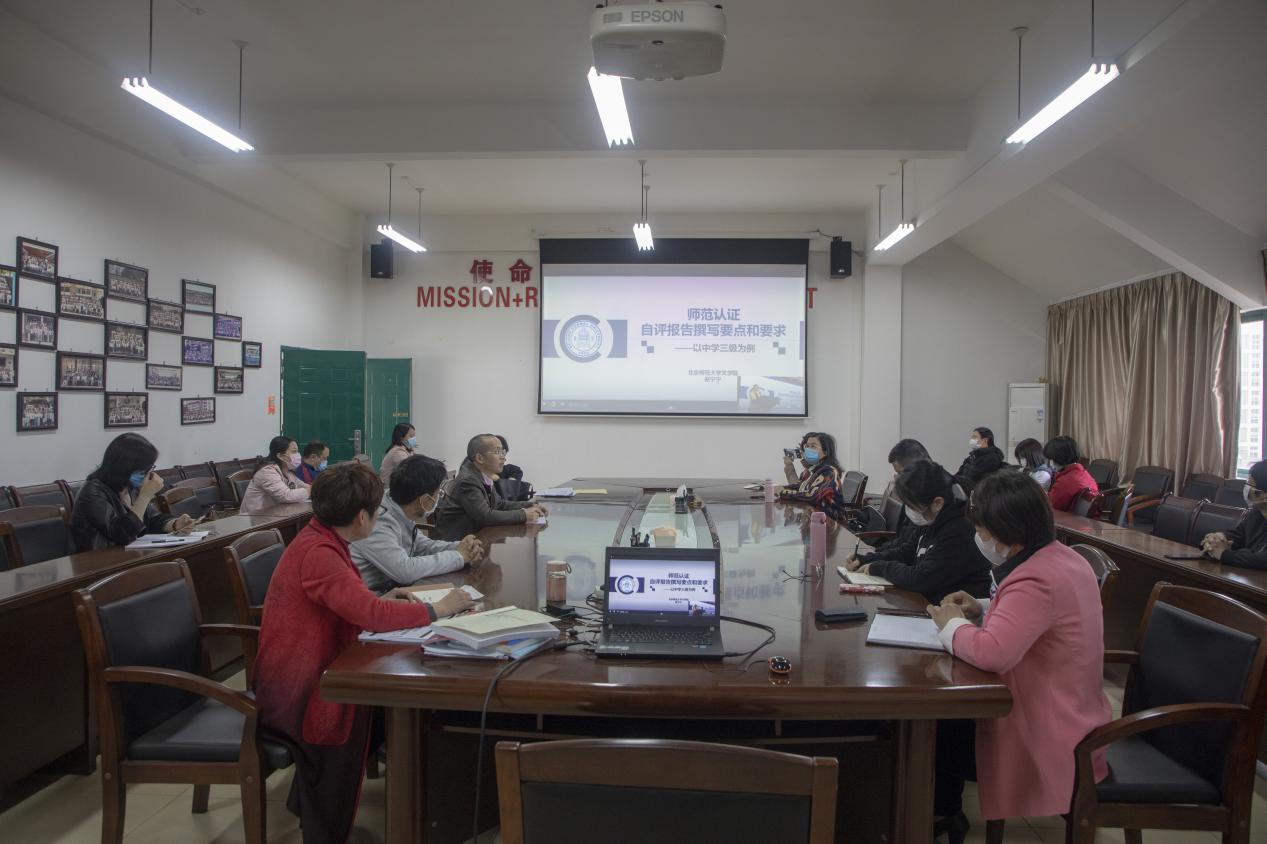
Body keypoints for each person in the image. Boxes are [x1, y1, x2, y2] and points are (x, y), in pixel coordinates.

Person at [254, 464, 473, 844]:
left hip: (314, 661)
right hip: (297, 684)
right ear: (360, 518)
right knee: (373, 707)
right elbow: (371, 615)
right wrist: (438, 609)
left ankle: (314, 803)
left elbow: (354, 603)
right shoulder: (320, 553)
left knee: (383, 708)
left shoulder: (323, 537)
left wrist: (381, 598)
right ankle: (325, 827)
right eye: (376, 511)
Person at [927, 470, 1111, 838]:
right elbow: (1034, 621)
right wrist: (981, 609)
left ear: (1006, 530)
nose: (979, 538)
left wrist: (951, 625)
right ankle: (941, 810)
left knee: (937, 726)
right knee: (944, 723)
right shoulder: (1061, 557)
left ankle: (937, 812)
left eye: (982, 531)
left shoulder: (1036, 578)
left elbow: (994, 653)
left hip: (1052, 726)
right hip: (1074, 706)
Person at [844, 460, 991, 604]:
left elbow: (922, 579)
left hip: (953, 611)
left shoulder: (959, 531)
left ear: (937, 503)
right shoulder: (932, 516)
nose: (909, 511)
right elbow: (908, 551)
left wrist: (880, 567)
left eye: (911, 506)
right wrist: (868, 559)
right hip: (925, 602)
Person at [351, 454, 487, 594]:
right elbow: (405, 570)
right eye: (438, 493)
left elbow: (422, 546)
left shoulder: (398, 506)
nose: (439, 497)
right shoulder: (376, 521)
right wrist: (459, 557)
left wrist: (459, 547)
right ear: (424, 500)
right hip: (373, 597)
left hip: (394, 589)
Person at [70, 433, 196, 551]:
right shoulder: (92, 492)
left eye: (150, 468)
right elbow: (122, 534)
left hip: (130, 555)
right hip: (99, 560)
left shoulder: (130, 488)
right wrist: (145, 496)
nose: (148, 473)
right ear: (125, 467)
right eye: (144, 469)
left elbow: (153, 519)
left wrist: (175, 524)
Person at [433, 434, 546, 540]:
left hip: (475, 536)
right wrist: (524, 515)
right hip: (454, 543)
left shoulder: (483, 475)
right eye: (497, 452)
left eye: (503, 452)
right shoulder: (468, 480)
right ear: (480, 458)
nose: (503, 457)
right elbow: (485, 516)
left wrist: (530, 505)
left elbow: (500, 504)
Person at [1202, 460, 1267, 568]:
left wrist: (1224, 555)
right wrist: (1215, 540)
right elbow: (1237, 535)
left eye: (1250, 484)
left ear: (1265, 495)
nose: (1246, 488)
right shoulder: (1256, 513)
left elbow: (1262, 559)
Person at [779, 432, 848, 521]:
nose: (808, 450)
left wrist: (782, 492)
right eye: (807, 446)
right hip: (813, 517)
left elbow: (811, 497)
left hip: (830, 522)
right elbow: (798, 487)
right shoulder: (811, 471)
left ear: (825, 452)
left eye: (813, 446)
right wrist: (779, 488)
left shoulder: (828, 472)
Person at [240, 436, 311, 515]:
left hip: (276, 514)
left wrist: (310, 489)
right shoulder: (266, 471)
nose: (298, 455)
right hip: (256, 517)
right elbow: (286, 496)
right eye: (294, 451)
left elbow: (303, 486)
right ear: (280, 456)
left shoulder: (288, 471)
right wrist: (310, 490)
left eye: (297, 451)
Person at [1043, 435, 1098, 512]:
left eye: (1051, 459)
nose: (1049, 464)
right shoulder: (1084, 474)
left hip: (1065, 518)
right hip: (1082, 518)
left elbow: (1051, 506)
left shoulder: (1065, 481)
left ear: (1059, 457)